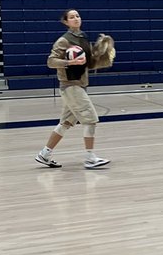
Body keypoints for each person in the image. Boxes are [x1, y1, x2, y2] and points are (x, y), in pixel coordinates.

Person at [35, 9, 111, 169]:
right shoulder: (63, 41)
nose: (76, 18)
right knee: (90, 119)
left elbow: (88, 64)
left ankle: (44, 154)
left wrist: (102, 57)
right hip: (70, 86)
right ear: (66, 21)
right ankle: (90, 158)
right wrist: (69, 63)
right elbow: (51, 61)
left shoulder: (83, 38)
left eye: (77, 16)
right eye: (71, 17)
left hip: (80, 85)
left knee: (66, 123)